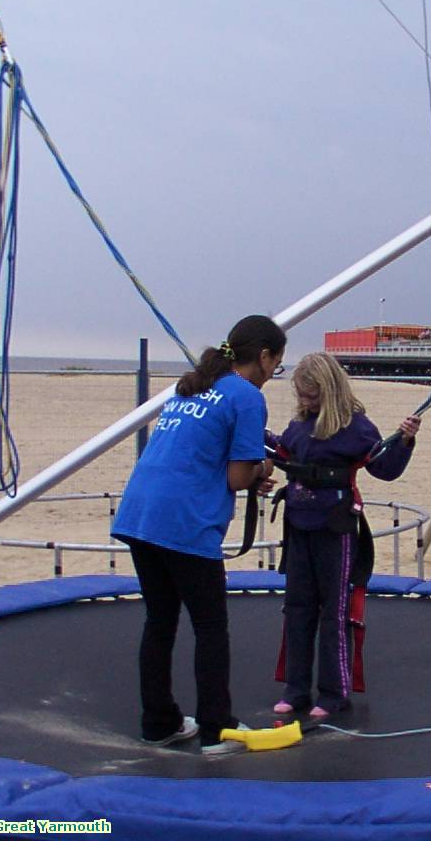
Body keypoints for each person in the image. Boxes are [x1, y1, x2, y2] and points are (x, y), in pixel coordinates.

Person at [111, 314, 286, 755]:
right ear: (264, 357)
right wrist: (262, 469)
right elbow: (236, 478)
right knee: (210, 627)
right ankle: (216, 729)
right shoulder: (245, 396)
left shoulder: (194, 386)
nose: (273, 374)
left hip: (140, 513)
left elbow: (204, 457)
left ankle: (159, 722)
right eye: (276, 365)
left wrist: (247, 471)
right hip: (184, 520)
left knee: (160, 621)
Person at [267, 352, 420, 719]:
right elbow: (282, 451)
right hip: (299, 523)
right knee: (298, 607)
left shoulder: (357, 429)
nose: (305, 402)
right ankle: (296, 688)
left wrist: (404, 441)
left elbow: (384, 469)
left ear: (330, 391)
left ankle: (334, 693)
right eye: (301, 395)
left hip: (336, 529)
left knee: (334, 612)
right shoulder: (298, 426)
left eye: (312, 396)